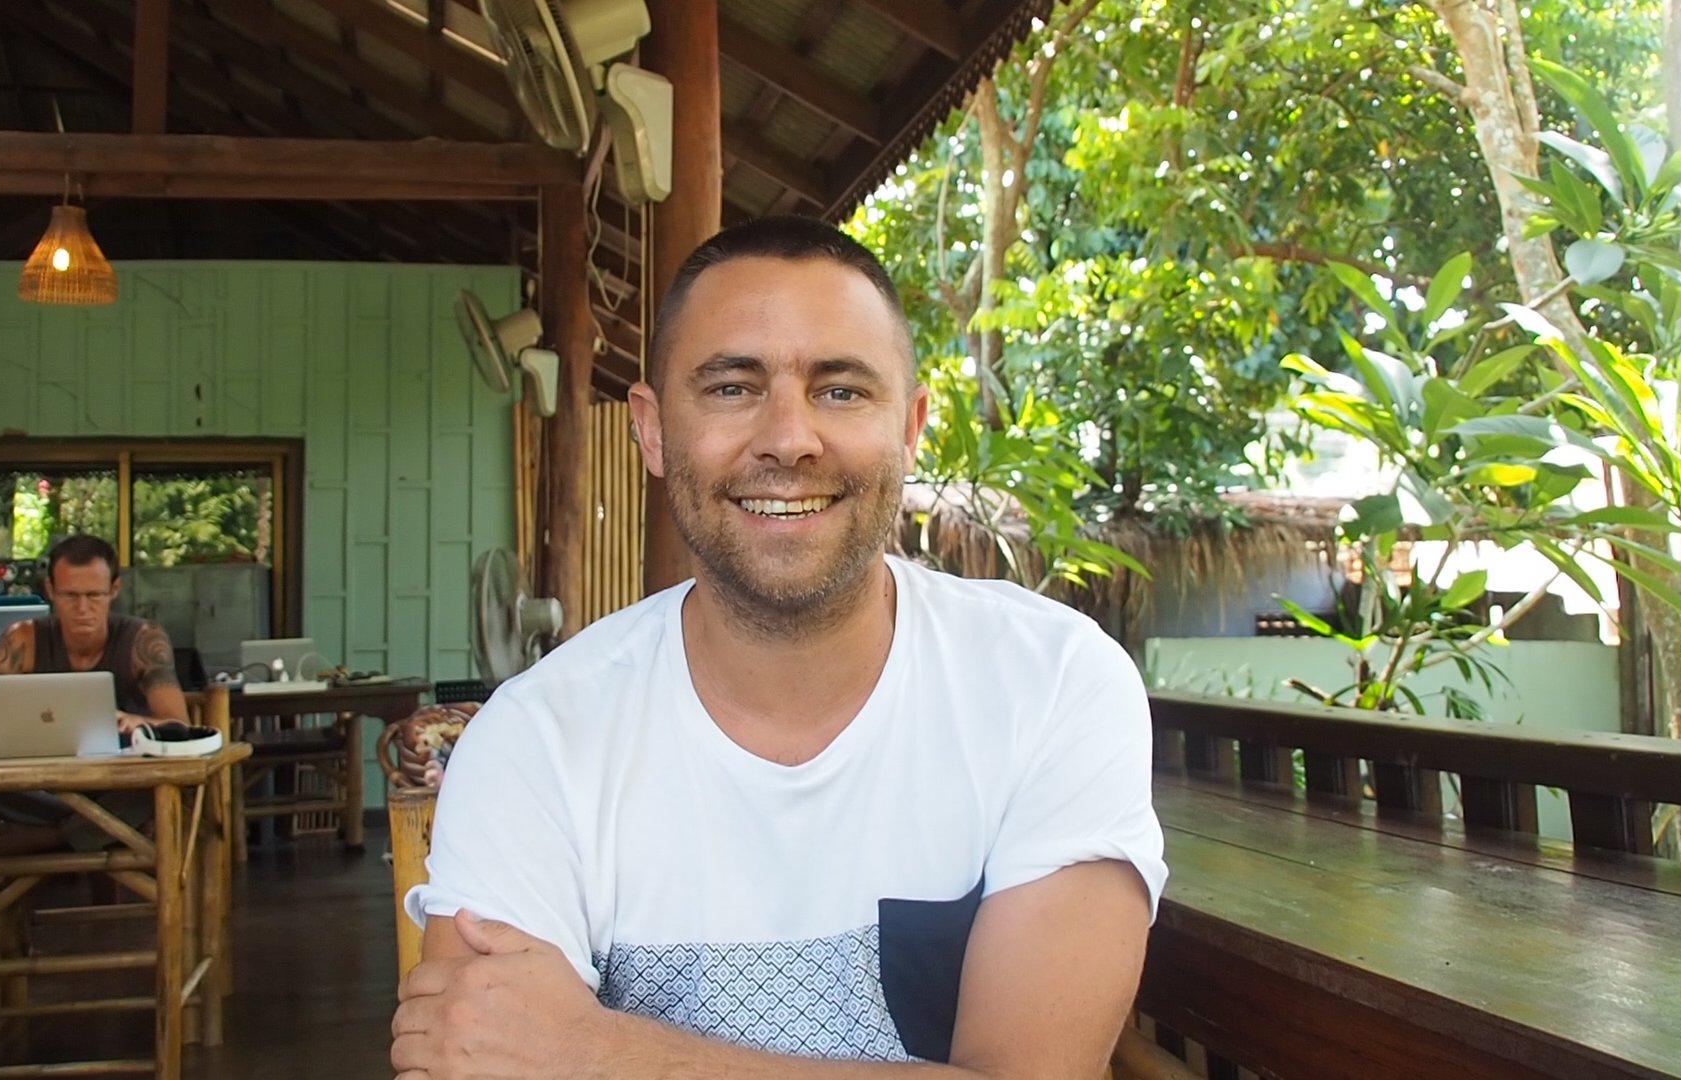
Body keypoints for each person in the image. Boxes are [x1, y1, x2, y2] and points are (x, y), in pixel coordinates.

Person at [393, 217, 1166, 1079]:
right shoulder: (536, 740)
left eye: (841, 391)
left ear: (910, 427)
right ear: (652, 430)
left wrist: (594, 1051)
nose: (790, 438)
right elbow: (476, 1051)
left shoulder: (1050, 684)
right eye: (732, 388)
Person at [0, 534, 187, 854]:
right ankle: (89, 831)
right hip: (43, 786)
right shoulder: (22, 640)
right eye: (70, 595)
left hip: (115, 786)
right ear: (50, 591)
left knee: (158, 782)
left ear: (114, 590)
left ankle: (53, 837)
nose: (82, 608)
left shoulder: (142, 640)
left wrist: (133, 722)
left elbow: (179, 727)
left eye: (94, 595)